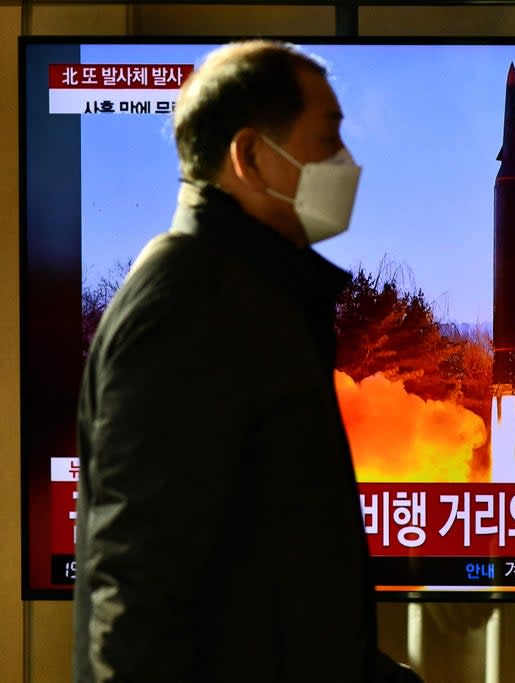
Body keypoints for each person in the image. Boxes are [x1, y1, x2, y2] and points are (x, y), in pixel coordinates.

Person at [73, 40, 422, 683]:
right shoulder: (187, 308)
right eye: (328, 140)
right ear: (253, 156)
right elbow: (137, 596)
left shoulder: (252, 298)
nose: (344, 165)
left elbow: (268, 581)